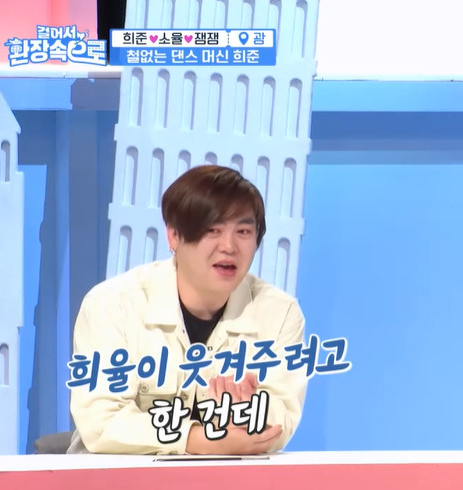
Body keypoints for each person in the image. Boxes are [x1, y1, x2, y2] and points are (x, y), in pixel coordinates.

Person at [67, 165, 308, 455]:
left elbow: (282, 420)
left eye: (243, 231)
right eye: (212, 230)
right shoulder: (113, 304)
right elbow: (101, 421)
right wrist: (201, 440)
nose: (229, 246)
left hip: (230, 477)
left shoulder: (279, 313)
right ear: (174, 236)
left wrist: (246, 415)